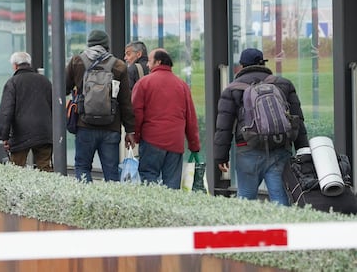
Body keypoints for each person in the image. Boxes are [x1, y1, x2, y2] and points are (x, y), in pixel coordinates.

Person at [213, 48, 309, 205]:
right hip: (280, 148)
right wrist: (303, 149)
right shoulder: (283, 84)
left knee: (246, 202)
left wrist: (221, 156)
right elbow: (298, 119)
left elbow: (224, 126)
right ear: (262, 63)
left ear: (242, 66)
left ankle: (245, 229)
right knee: (281, 200)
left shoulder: (232, 89)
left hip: (247, 149)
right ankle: (283, 228)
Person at [65, 29, 135, 182]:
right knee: (111, 172)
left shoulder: (77, 61)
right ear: (106, 46)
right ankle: (109, 204)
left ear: (89, 44)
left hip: (84, 125)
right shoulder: (119, 66)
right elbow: (125, 102)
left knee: (82, 167)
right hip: (111, 127)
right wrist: (130, 130)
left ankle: (87, 203)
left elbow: (63, 88)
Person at [132, 48, 200, 189]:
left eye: (150, 61)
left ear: (158, 62)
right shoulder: (182, 85)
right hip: (175, 142)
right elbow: (191, 118)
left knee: (149, 177)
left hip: (151, 140)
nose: (147, 65)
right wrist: (194, 144)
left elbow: (136, 113)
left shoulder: (144, 83)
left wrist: (135, 136)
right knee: (172, 184)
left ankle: (152, 210)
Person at [0, 52, 53, 172]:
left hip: (20, 134)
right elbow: (54, 107)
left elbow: (6, 112)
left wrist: (4, 136)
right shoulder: (45, 81)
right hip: (44, 131)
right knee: (45, 168)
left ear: (15, 66)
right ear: (29, 64)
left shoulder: (12, 82)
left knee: (16, 169)